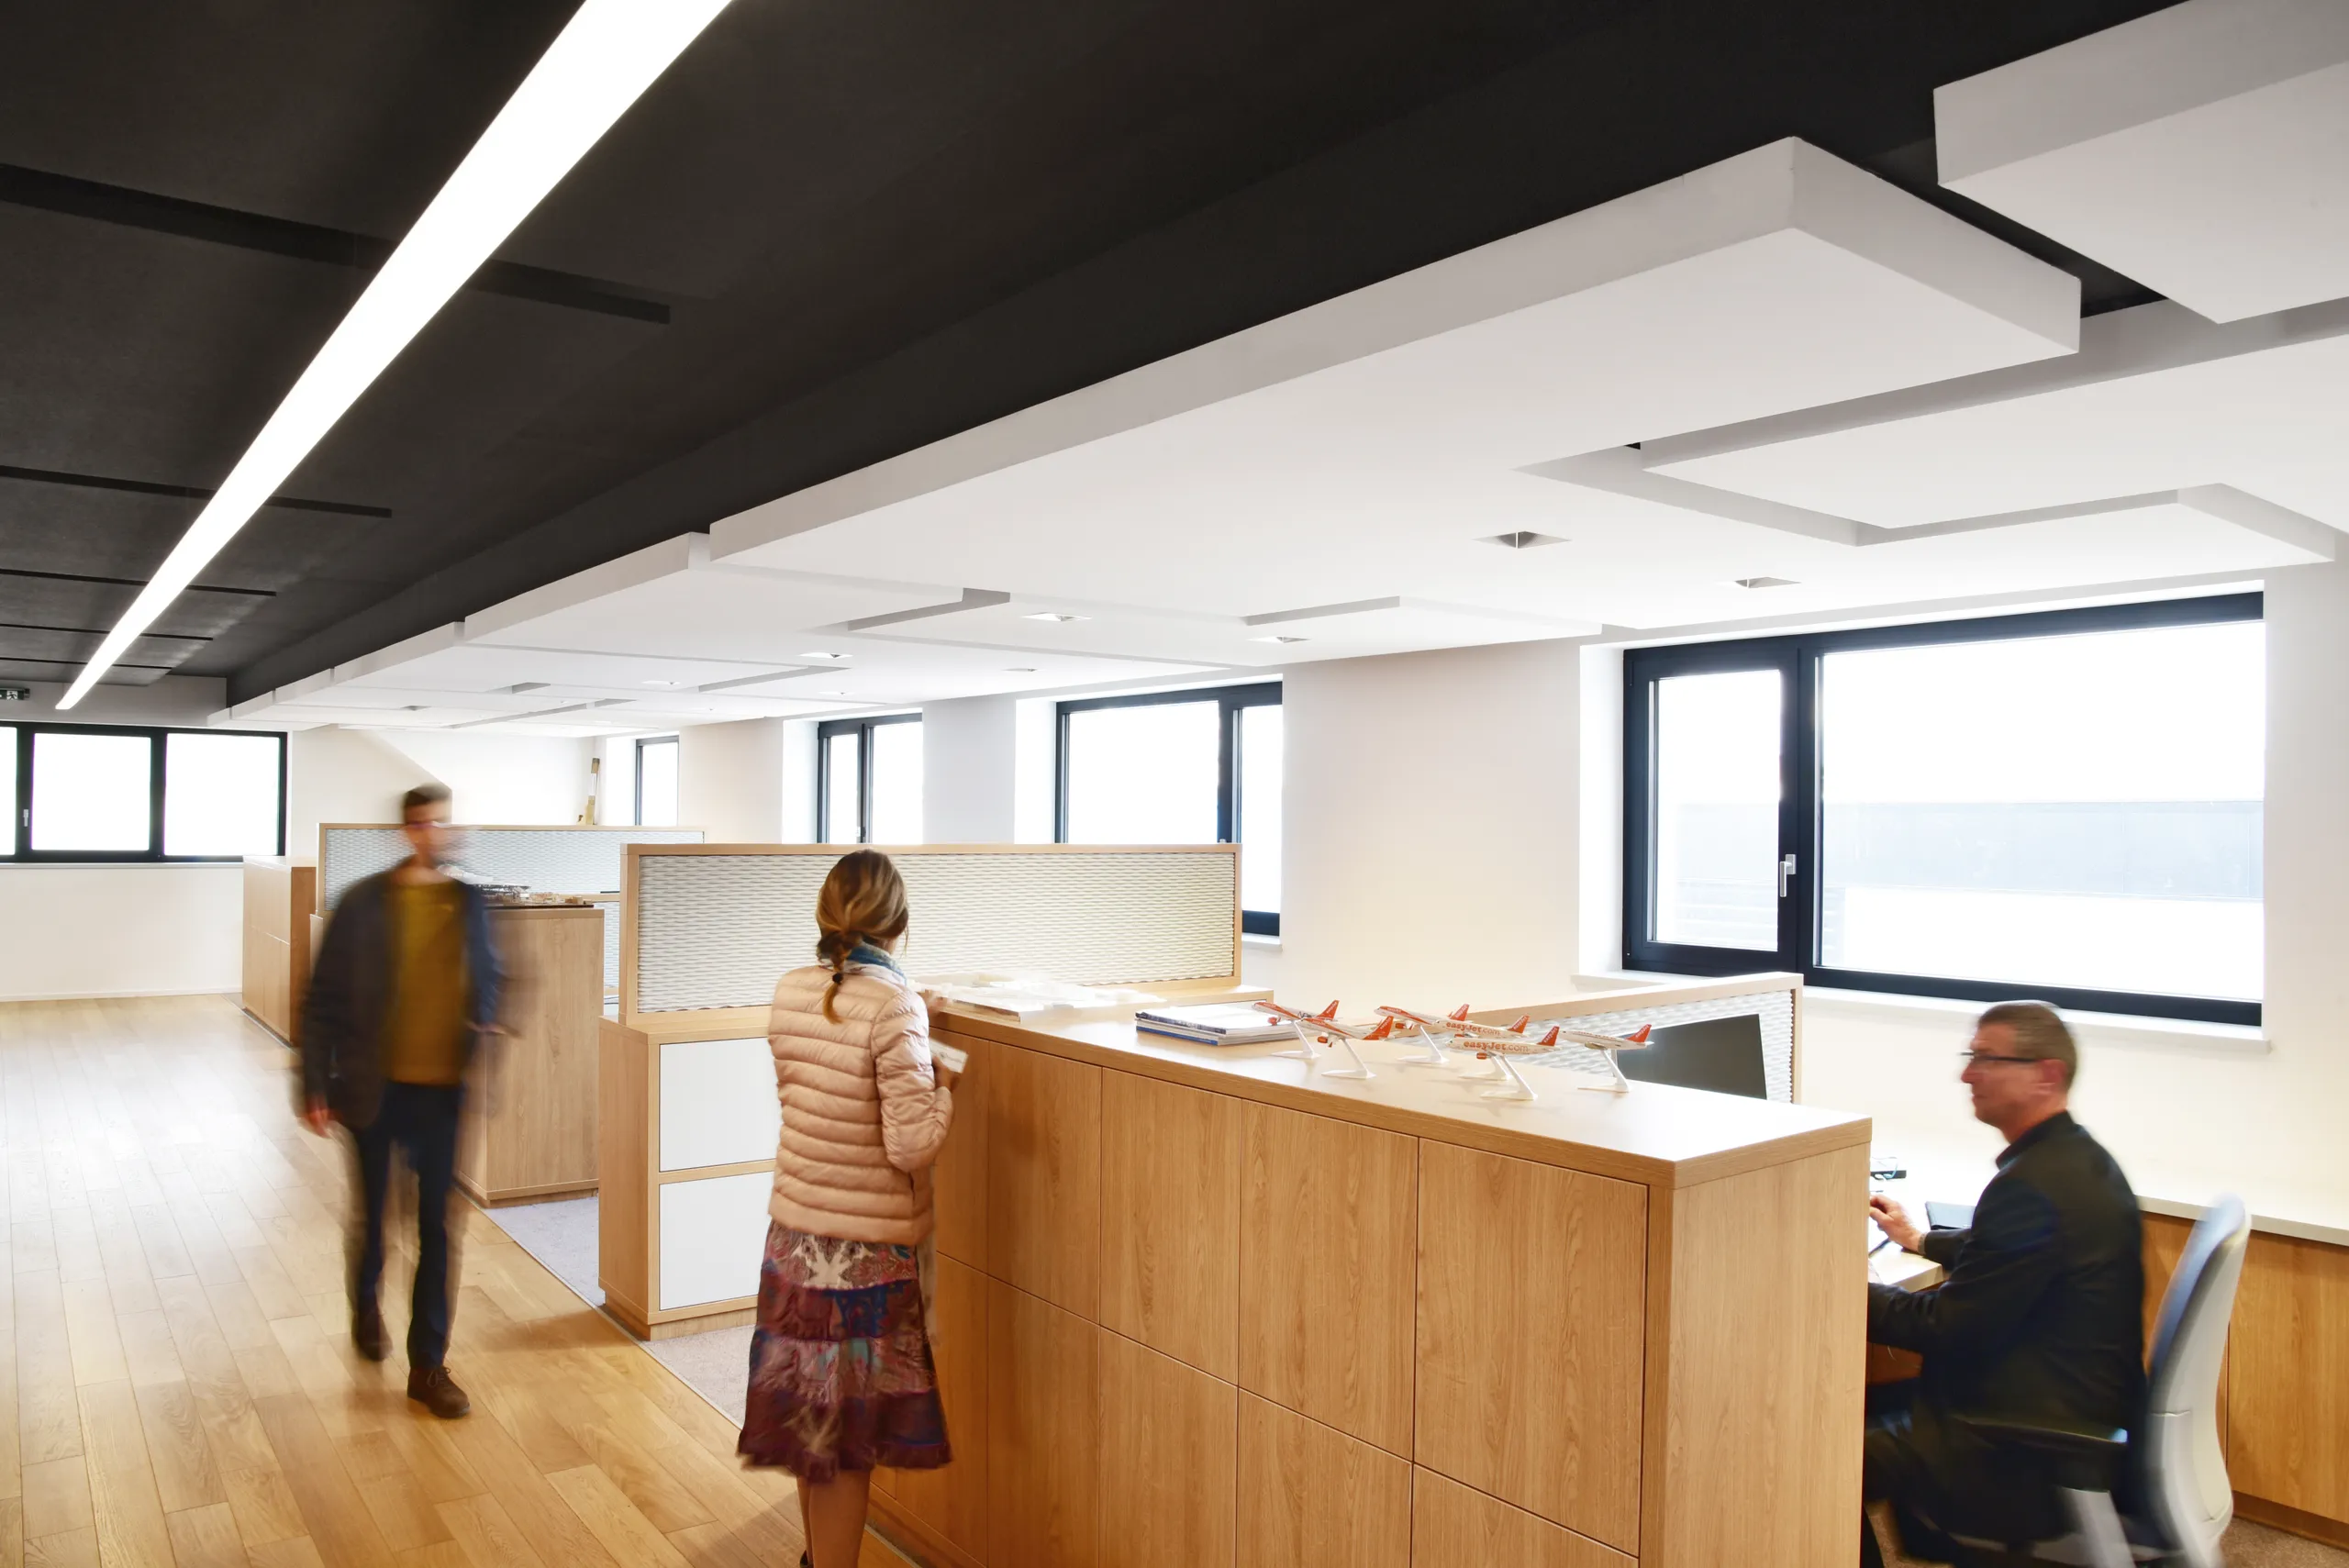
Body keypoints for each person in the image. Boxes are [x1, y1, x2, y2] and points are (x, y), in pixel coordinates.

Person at [1860, 1001, 2144, 1566]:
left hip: (2024, 1441)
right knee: (1849, 1410)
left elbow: (1947, 1326)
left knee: (1816, 1448)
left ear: (2047, 1074)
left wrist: (1834, 1288)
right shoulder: (2077, 1161)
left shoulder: (2031, 1186)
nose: (1968, 1074)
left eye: (1987, 1059)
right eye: (1972, 1057)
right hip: (2071, 1401)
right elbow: (2014, 1253)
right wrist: (1921, 1241)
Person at [740, 850, 958, 1568]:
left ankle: (812, 1560)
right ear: (899, 922)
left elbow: (821, 1082)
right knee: (849, 1445)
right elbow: (911, 1144)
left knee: (814, 1430)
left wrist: (910, 1014)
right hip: (862, 1261)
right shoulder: (893, 1006)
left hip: (795, 1239)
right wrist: (946, 1081)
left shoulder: (792, 989)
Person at [297, 784, 503, 1420]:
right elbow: (321, 996)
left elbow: (493, 974)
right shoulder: (362, 903)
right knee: (374, 1218)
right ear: (404, 831)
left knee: (438, 1229)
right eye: (420, 824)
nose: (431, 833)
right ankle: (365, 1303)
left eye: (441, 822)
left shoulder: (469, 900)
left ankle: (428, 1365)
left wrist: (487, 1016)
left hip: (443, 1093)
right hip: (372, 1087)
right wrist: (312, 1083)